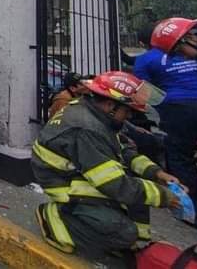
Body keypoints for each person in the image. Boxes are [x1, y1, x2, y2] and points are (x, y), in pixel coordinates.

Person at [32, 71, 183, 258]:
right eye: (126, 111)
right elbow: (114, 185)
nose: (128, 116)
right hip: (61, 181)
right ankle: (55, 219)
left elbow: (124, 150)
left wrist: (157, 174)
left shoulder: (95, 114)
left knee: (138, 193)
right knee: (124, 231)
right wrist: (164, 196)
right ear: (111, 105)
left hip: (75, 169)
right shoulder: (88, 128)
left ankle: (135, 245)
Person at [133, 17, 197, 227]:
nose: (196, 39)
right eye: (190, 36)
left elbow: (141, 95)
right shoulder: (190, 58)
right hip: (182, 110)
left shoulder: (146, 60)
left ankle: (194, 212)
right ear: (176, 41)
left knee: (180, 158)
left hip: (178, 112)